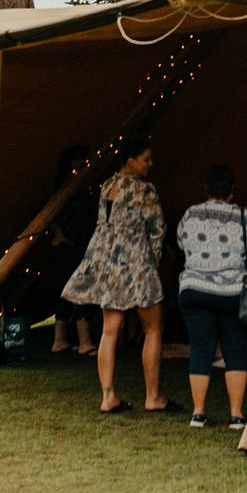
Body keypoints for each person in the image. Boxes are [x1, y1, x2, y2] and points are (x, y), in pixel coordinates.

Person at [61, 139, 182, 414]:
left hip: (109, 263)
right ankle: (153, 396)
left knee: (109, 331)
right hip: (137, 262)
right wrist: (153, 260)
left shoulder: (106, 186)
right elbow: (157, 228)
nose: (150, 164)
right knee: (153, 328)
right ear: (130, 160)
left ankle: (108, 395)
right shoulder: (144, 189)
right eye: (146, 159)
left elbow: (104, 225)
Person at [176, 163, 247, 430]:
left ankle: (198, 413)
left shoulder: (191, 214)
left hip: (195, 289)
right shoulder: (245, 217)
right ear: (232, 191)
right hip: (232, 292)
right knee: (236, 352)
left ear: (206, 189)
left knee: (200, 350)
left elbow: (181, 243)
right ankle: (236, 415)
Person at [47, 143, 98, 357]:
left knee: (68, 292)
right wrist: (60, 235)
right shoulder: (67, 187)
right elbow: (52, 213)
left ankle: (61, 339)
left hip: (76, 244)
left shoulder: (78, 186)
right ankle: (83, 341)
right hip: (73, 245)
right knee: (78, 290)